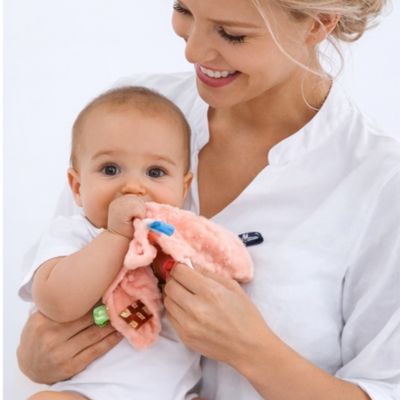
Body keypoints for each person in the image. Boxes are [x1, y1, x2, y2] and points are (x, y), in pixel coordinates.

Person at [18, 0, 400, 399]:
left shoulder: (379, 182)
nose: (192, 50)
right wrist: (35, 358)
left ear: (318, 24)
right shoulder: (132, 113)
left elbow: (385, 387)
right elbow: (55, 300)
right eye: (184, 9)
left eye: (231, 33)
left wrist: (251, 350)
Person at [20, 86, 204, 400]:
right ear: (77, 186)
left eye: (155, 172)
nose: (133, 186)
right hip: (88, 393)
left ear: (183, 188)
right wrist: (116, 236)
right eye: (110, 169)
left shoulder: (180, 240)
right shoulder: (73, 235)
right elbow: (57, 302)